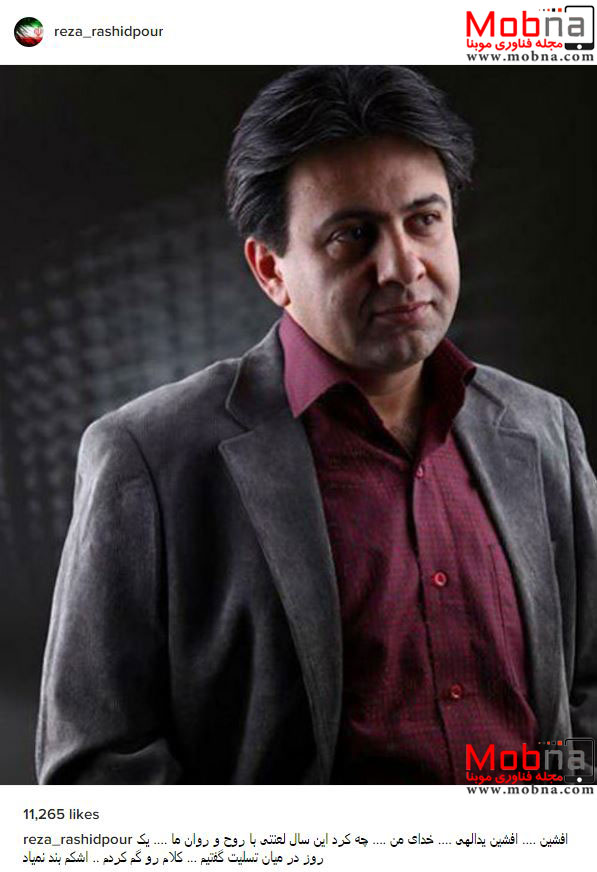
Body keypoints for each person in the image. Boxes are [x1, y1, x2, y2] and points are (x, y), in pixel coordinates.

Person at [36, 66, 597, 785]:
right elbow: (94, 764)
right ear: (270, 268)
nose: (401, 267)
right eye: (352, 235)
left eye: (423, 221)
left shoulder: (542, 429)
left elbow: (587, 686)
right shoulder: (150, 458)